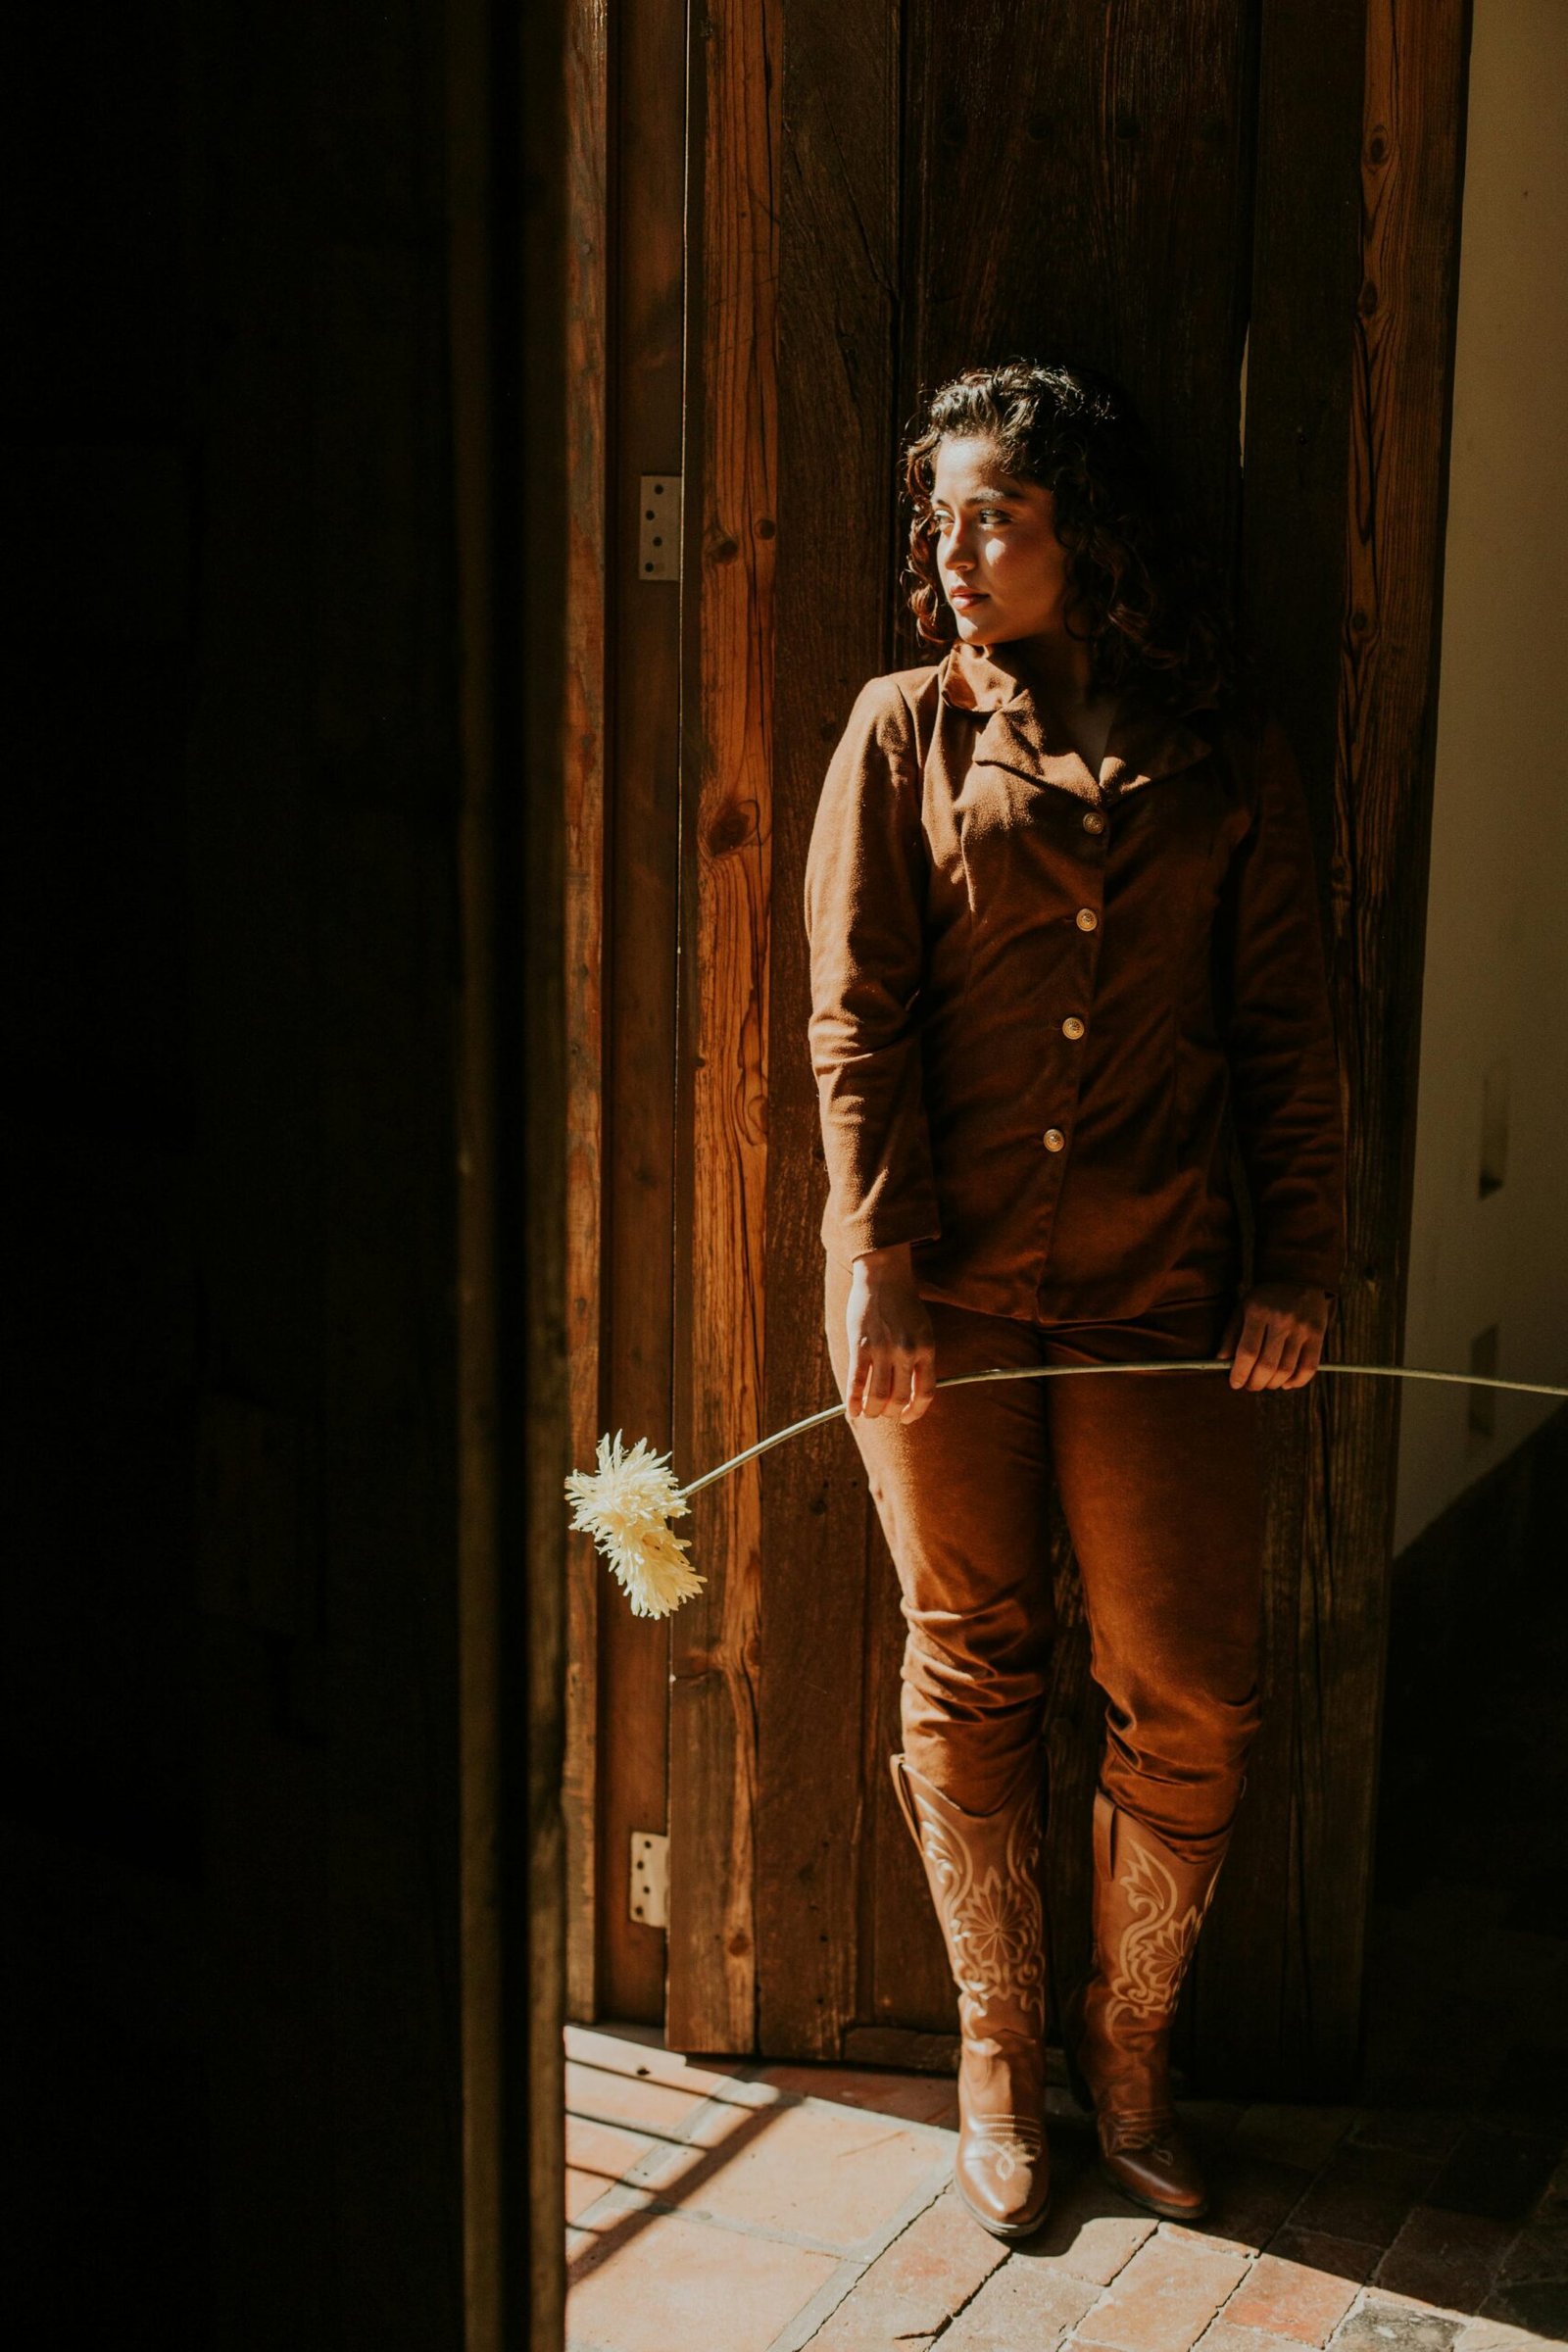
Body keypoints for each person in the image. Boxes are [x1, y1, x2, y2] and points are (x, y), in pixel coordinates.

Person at [802, 360, 1347, 2241]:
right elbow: (855, 1021)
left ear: (1084, 534)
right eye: (940, 518)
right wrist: (877, 1265)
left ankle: (1131, 2049)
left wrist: (1298, 1262)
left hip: (1161, 1283)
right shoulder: (901, 730)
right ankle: (994, 2047)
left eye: (997, 516)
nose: (954, 551)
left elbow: (1285, 1033)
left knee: (1186, 1687)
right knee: (972, 1653)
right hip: (936, 1295)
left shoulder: (1223, 752)